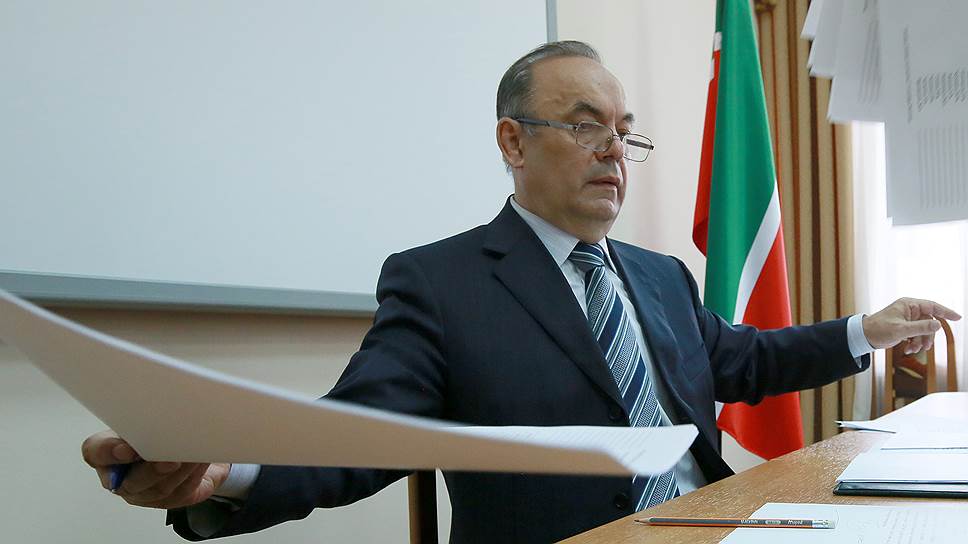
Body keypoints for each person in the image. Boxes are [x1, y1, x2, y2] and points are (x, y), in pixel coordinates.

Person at [81, 41, 960, 543]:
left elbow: (744, 359)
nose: (615, 152)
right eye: (585, 127)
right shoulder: (440, 283)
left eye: (624, 132)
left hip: (710, 522)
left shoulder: (659, 274)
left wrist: (867, 329)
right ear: (512, 141)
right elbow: (363, 434)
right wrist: (227, 472)